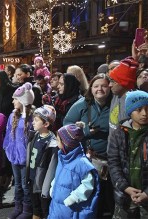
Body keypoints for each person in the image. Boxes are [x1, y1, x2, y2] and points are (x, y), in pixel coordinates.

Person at [63, 73, 114, 216]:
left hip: (112, 158)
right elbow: (67, 125)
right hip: (90, 158)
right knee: (91, 193)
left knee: (108, 195)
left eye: (104, 86)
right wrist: (86, 131)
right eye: (96, 86)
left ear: (109, 87)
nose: (100, 89)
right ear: (91, 88)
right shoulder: (82, 104)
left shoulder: (115, 103)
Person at [108, 90, 148, 218]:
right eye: (139, 109)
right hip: (124, 197)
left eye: (147, 109)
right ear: (130, 111)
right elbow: (113, 162)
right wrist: (125, 187)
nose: (145, 113)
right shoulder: (119, 133)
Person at [48, 124, 99, 219]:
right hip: (57, 206)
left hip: (71, 209)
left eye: (58, 139)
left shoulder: (82, 163)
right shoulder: (63, 158)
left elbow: (88, 185)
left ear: (65, 143)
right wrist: (53, 187)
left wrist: (73, 198)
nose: (56, 141)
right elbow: (58, 176)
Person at [3, 82, 35, 219]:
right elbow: (8, 132)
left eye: (15, 99)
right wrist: (7, 148)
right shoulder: (13, 115)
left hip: (26, 157)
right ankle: (18, 207)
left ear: (23, 100)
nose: (13, 101)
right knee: (17, 183)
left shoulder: (32, 116)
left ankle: (27, 210)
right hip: (14, 155)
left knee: (25, 184)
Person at [26, 105, 58, 219]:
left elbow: (52, 167)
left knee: (45, 208)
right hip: (32, 178)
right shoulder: (35, 135)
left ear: (46, 124)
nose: (33, 122)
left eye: (36, 120)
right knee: (35, 206)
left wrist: (46, 186)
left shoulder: (52, 143)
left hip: (43, 182)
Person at [108, 57, 138, 138]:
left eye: (113, 81)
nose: (109, 85)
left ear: (124, 83)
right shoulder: (116, 94)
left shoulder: (134, 104)